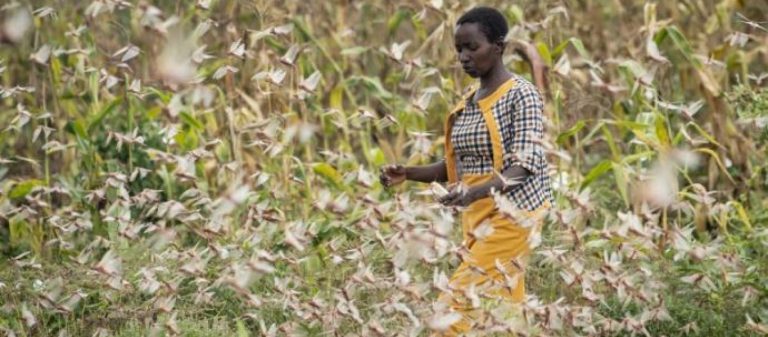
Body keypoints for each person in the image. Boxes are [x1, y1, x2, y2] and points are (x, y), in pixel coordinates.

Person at [379, 6, 553, 335]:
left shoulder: (522, 95)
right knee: (502, 315)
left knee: (451, 312)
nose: (463, 57)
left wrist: (473, 193)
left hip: (514, 217)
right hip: (479, 219)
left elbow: (525, 165)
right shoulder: (469, 100)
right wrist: (409, 173)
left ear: (498, 47)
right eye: (459, 49)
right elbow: (458, 165)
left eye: (472, 47)